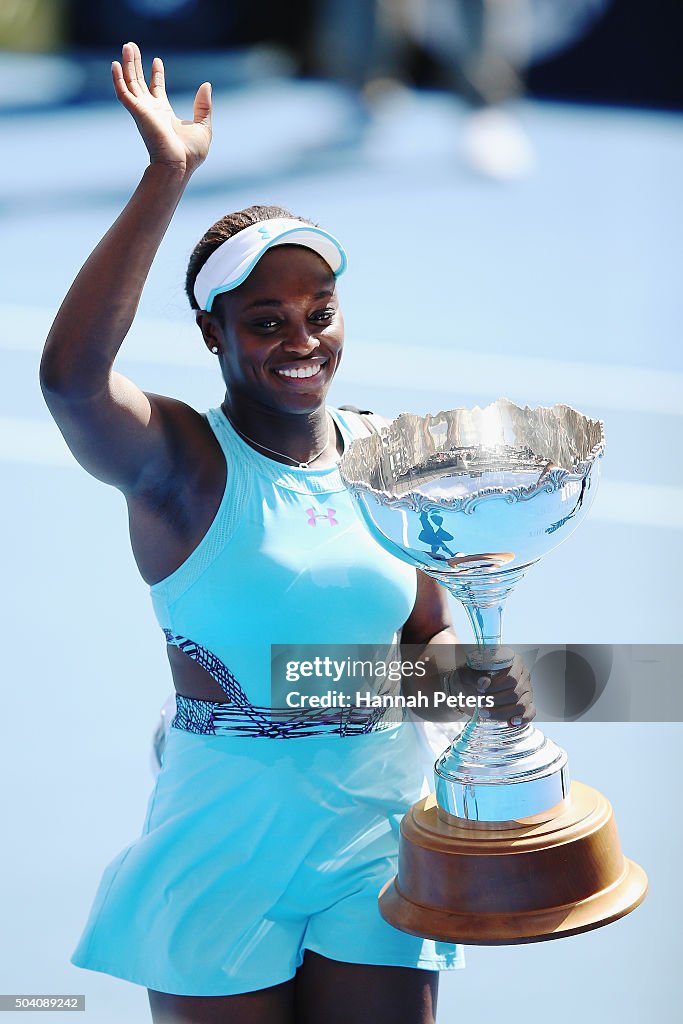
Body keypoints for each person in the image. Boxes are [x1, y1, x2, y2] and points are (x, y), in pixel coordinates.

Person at [40, 42, 535, 1024]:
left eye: (317, 309)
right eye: (262, 320)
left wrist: (473, 677)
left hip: (376, 826)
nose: (301, 338)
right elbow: (71, 381)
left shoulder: (394, 459)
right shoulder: (180, 463)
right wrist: (166, 175)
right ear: (212, 337)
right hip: (223, 837)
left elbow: (419, 632)